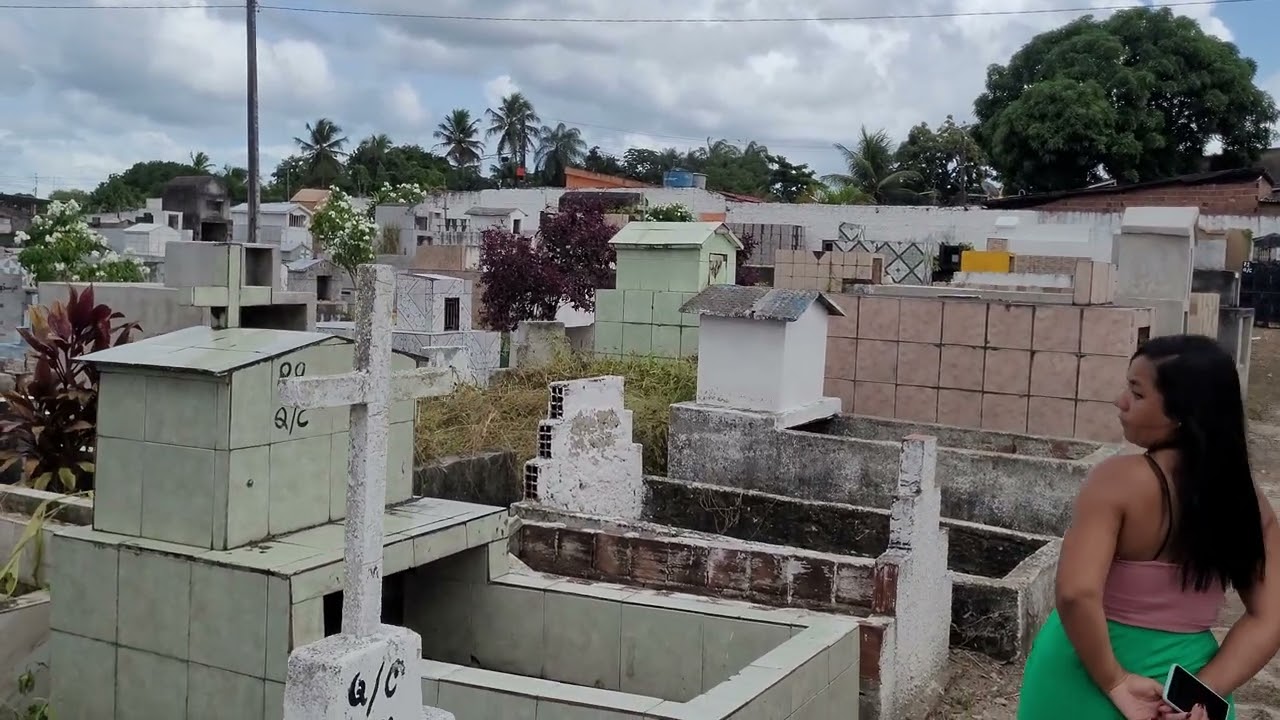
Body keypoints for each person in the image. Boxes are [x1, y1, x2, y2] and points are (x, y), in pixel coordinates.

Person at [1017, 334, 1280, 720]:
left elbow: (1075, 593)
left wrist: (1115, 681)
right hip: (1187, 688)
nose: (1120, 401)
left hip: (1084, 677)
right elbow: (1269, 618)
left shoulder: (1117, 481)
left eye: (1137, 394)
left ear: (1181, 412)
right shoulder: (1248, 503)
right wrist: (1199, 696)